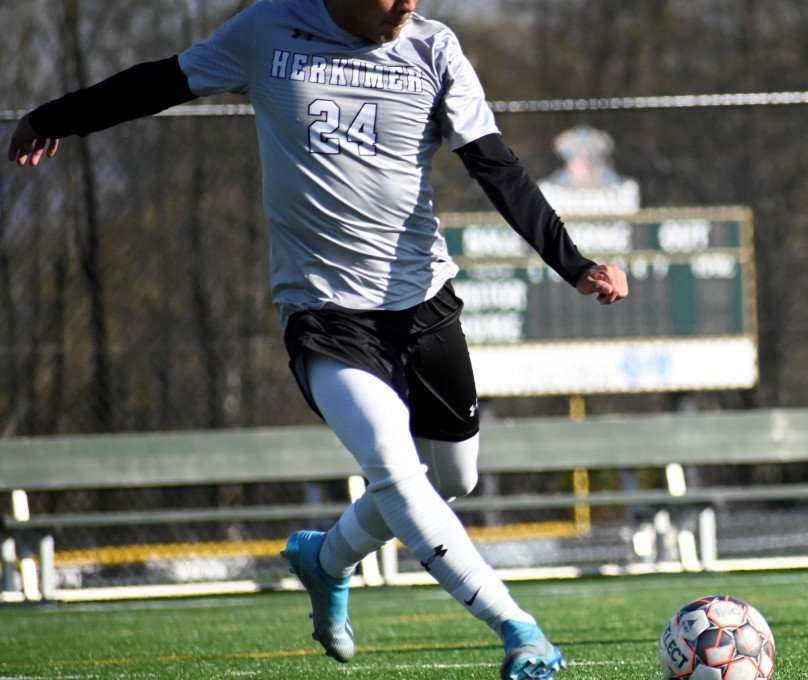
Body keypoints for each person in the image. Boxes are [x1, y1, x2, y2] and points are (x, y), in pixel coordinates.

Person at [8, 1, 627, 677]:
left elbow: (495, 165)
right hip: (324, 315)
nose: (409, 4)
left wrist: (575, 264)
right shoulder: (265, 31)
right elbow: (159, 81)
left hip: (424, 307)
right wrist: (51, 116)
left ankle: (325, 558)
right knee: (394, 469)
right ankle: (519, 629)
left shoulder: (434, 48)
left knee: (454, 477)